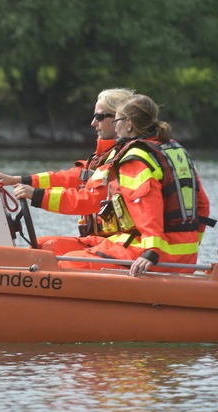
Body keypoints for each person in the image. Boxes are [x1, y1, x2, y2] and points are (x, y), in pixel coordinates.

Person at [14, 94, 213, 276]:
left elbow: (146, 208)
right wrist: (190, 243)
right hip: (182, 251)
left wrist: (151, 251)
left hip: (154, 252)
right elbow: (202, 205)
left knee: (66, 266)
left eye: (116, 120)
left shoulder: (136, 158)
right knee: (45, 247)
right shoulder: (175, 152)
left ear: (128, 124)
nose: (113, 125)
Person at [0, 87, 135, 252]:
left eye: (99, 117)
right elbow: (71, 177)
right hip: (106, 241)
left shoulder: (126, 160)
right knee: (44, 245)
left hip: (124, 246)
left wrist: (36, 195)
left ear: (121, 119)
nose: (93, 123)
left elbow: (90, 200)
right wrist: (18, 180)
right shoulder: (107, 156)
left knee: (47, 252)